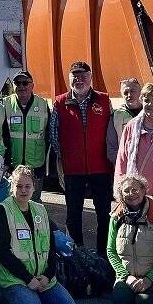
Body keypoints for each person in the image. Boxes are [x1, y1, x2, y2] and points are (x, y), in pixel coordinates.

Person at [0, 165, 80, 304]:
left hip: (43, 278)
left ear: (34, 187)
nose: (23, 191)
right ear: (11, 187)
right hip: (16, 279)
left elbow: (51, 248)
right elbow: (2, 252)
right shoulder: (0, 211)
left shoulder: (40, 209)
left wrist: (48, 275)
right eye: (18, 186)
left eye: (27, 186)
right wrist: (28, 279)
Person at [50, 61, 115, 256]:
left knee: (104, 215)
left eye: (83, 75)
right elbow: (54, 135)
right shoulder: (60, 102)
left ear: (90, 77)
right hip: (73, 170)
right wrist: (65, 159)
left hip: (100, 168)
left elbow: (111, 133)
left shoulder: (104, 100)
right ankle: (77, 255)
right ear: (69, 79)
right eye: (74, 76)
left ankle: (104, 255)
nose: (79, 79)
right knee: (73, 216)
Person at [106, 174, 153, 304]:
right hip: (126, 276)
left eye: (135, 190)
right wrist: (125, 276)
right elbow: (110, 250)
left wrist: (150, 279)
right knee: (121, 302)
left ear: (143, 190)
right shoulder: (116, 216)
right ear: (121, 194)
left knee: (146, 303)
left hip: (152, 278)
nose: (131, 194)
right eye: (126, 190)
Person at [2, 70, 50, 197]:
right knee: (13, 202)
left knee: (34, 202)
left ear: (32, 85)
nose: (21, 86)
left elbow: (49, 134)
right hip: (13, 165)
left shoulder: (42, 104)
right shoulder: (5, 104)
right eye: (18, 83)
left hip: (35, 164)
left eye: (25, 83)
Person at [109, 77, 143, 157]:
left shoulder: (150, 113)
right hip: (126, 165)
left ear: (140, 92)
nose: (129, 95)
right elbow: (111, 148)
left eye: (133, 91)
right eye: (125, 93)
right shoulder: (115, 116)